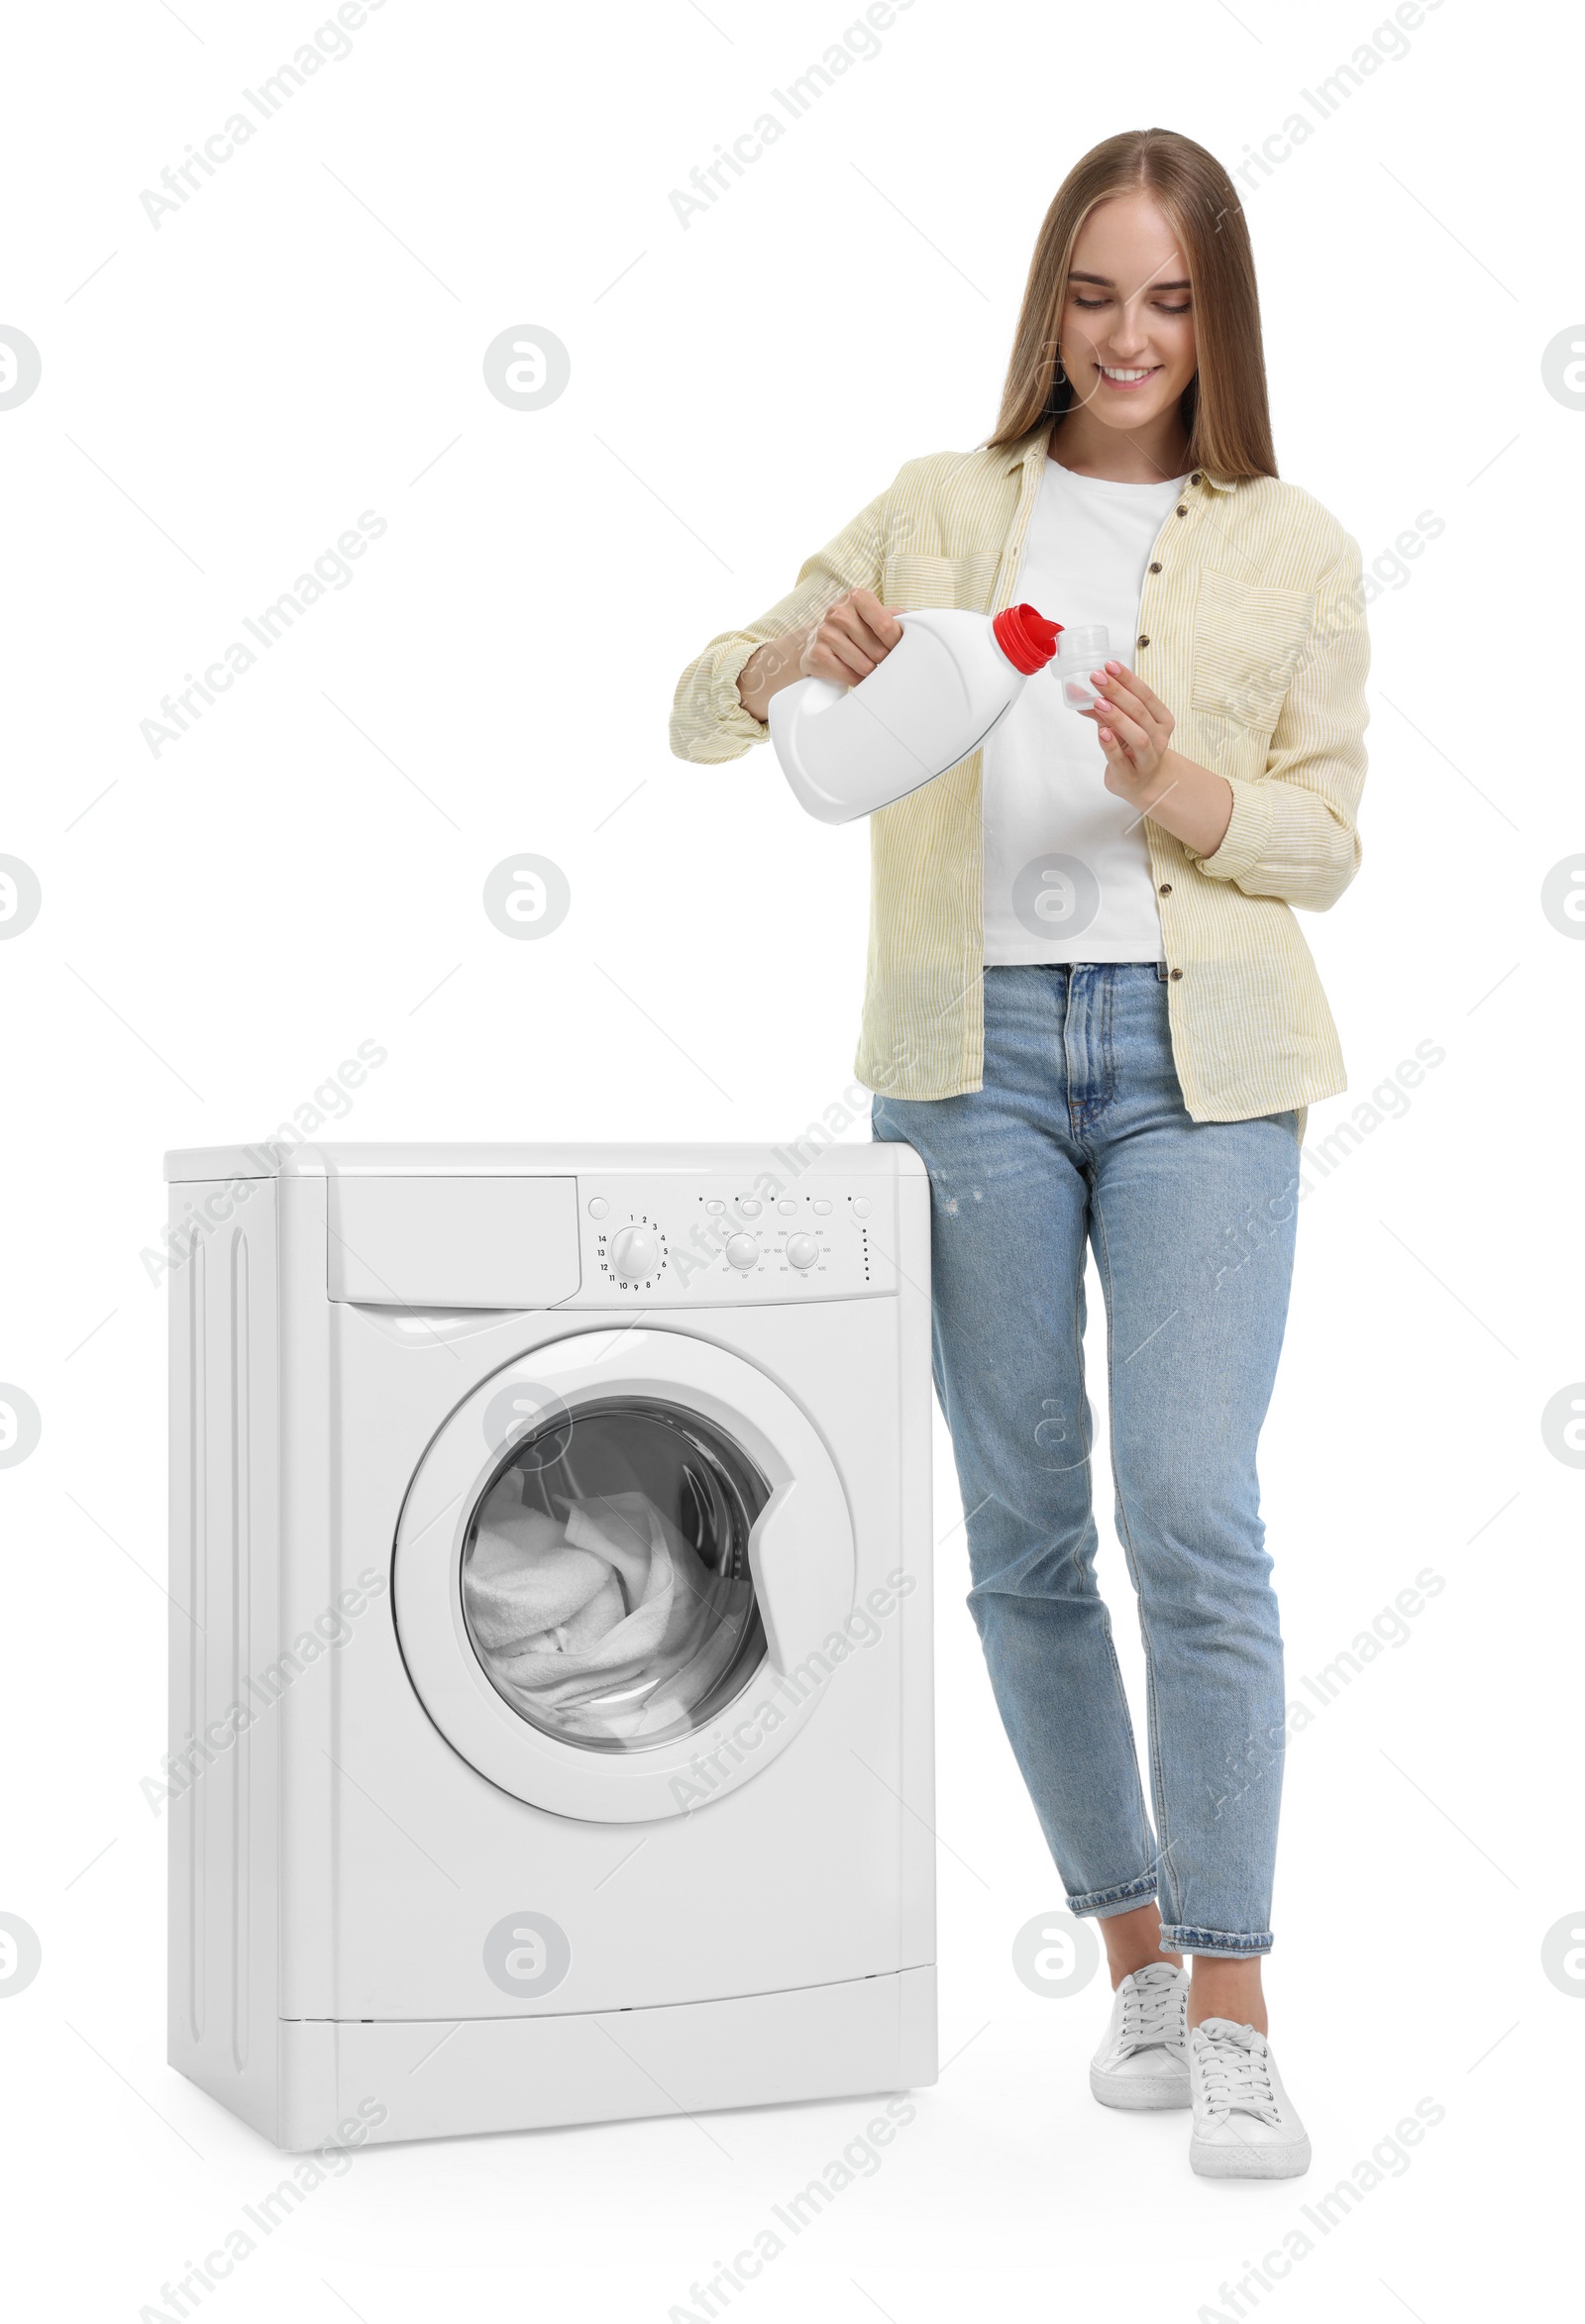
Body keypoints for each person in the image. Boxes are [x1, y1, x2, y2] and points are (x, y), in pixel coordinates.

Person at [671, 127, 1369, 2180]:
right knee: (1020, 1536)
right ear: (1045, 304)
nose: (1126, 334)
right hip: (961, 1061)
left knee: (1189, 1510)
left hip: (1196, 1065)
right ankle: (1136, 1956)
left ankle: (1235, 1999)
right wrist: (796, 655)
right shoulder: (932, 508)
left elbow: (1325, 839)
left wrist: (1185, 788)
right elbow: (698, 710)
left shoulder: (1294, 545)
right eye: (1091, 291)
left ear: (1212, 315)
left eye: (1166, 297)